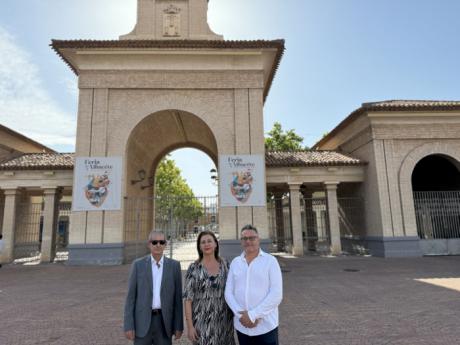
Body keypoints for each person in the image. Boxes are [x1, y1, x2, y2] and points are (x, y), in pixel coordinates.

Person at [225, 225, 283, 345]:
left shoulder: (270, 261)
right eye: (244, 238)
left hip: (265, 326)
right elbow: (228, 292)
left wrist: (252, 315)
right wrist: (241, 315)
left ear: (258, 239)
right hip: (242, 327)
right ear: (241, 241)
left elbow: (276, 294)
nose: (248, 241)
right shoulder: (236, 262)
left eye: (252, 238)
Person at [124, 231, 183, 345]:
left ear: (166, 244)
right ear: (149, 244)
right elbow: (130, 298)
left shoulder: (174, 266)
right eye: (154, 242)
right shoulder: (138, 265)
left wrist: (178, 325)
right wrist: (128, 325)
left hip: (164, 322)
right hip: (142, 322)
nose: (158, 245)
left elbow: (177, 300)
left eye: (162, 242)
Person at [183, 230, 235, 345]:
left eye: (209, 241)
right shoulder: (194, 268)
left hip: (224, 323)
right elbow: (188, 300)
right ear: (199, 247)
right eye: (203, 242)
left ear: (216, 244)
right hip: (202, 324)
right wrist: (190, 326)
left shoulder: (226, 265)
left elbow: (235, 291)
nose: (206, 244)